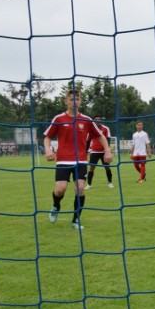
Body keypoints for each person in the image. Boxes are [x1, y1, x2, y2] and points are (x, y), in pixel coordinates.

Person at [43, 90, 112, 229]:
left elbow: (100, 136)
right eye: (71, 99)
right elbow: (47, 137)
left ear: (80, 101)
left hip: (80, 160)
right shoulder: (59, 119)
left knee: (80, 188)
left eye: (77, 99)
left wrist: (107, 151)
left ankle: (75, 220)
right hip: (63, 160)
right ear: (66, 101)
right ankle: (56, 206)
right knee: (60, 189)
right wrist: (48, 149)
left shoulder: (86, 119)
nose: (75, 101)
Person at [86, 116, 114, 188]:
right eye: (96, 119)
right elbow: (88, 141)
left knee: (107, 167)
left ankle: (110, 182)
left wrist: (107, 150)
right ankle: (89, 184)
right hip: (94, 152)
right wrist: (85, 151)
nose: (98, 120)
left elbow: (108, 139)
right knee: (91, 168)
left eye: (99, 119)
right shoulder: (91, 129)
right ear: (93, 121)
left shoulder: (105, 128)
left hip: (104, 152)